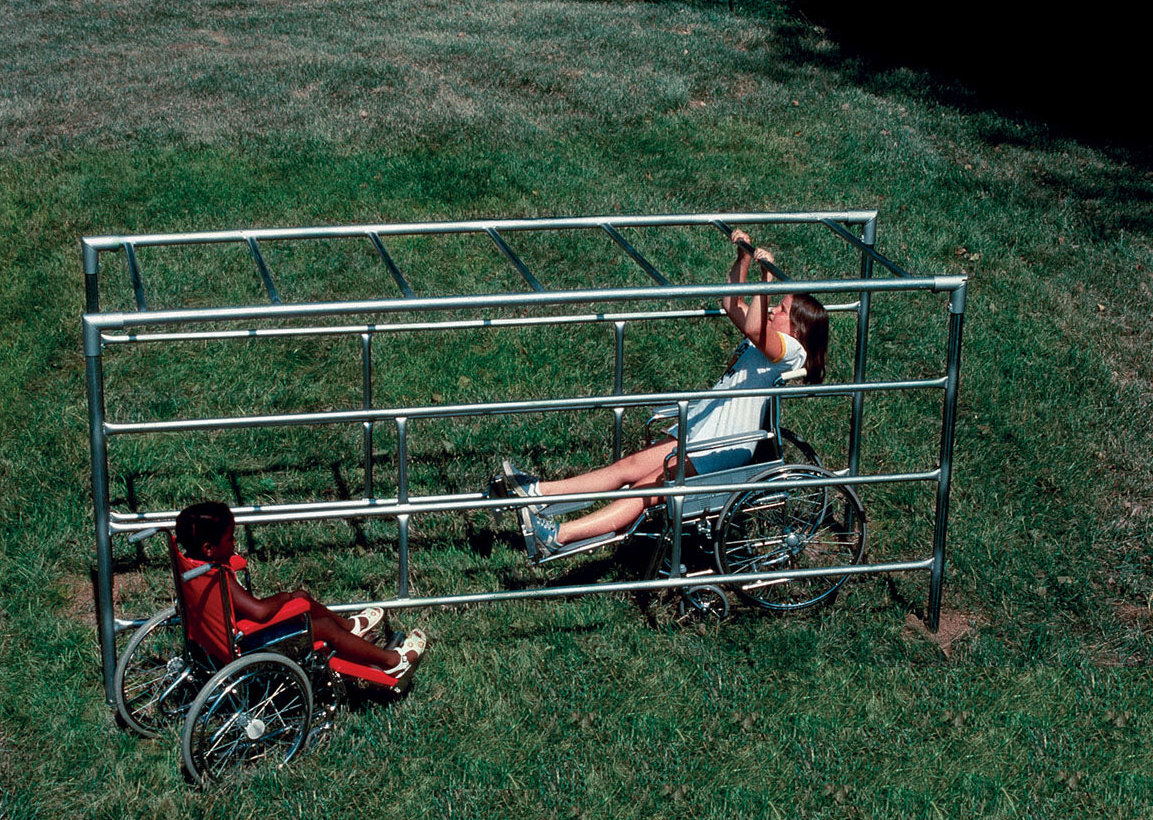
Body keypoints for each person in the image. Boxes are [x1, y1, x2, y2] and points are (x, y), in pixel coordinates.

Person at [501, 230, 829, 557]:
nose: (773, 310)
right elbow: (732, 305)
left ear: (798, 328)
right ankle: (538, 493)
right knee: (627, 467)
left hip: (722, 446)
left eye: (782, 309)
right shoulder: (767, 341)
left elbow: (754, 326)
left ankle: (558, 536)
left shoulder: (792, 351)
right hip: (702, 431)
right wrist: (742, 260)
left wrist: (766, 279)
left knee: (644, 491)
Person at [175, 501, 425, 677]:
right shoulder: (217, 577)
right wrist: (285, 597)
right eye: (230, 539)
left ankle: (351, 628)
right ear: (209, 549)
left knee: (302, 597)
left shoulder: (191, 568)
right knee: (322, 626)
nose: (234, 542)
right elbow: (259, 612)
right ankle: (393, 662)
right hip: (247, 643)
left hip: (219, 637)